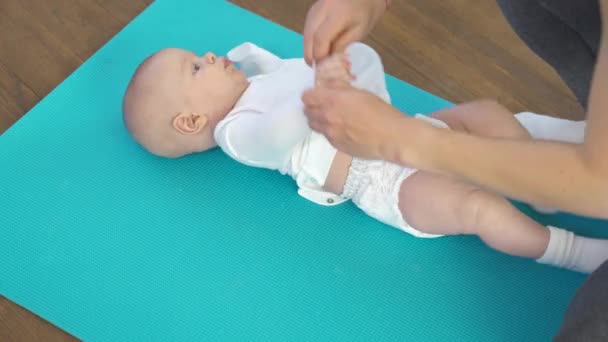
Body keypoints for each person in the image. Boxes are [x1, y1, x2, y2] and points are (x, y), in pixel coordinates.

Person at [122, 42, 608, 273]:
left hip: (413, 131)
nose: (209, 55)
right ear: (190, 122)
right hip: (388, 184)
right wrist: (324, 77)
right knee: (480, 208)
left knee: (487, 112)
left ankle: (540, 188)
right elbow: (287, 124)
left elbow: (293, 73)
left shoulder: (258, 82)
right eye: (195, 66)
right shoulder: (237, 135)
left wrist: (275, 59)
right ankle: (565, 250)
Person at [300, 0, 607, 339]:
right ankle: (552, 183)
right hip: (392, 166)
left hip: (392, 163)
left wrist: (400, 140)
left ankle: (569, 243)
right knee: (487, 138)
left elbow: (599, 184)